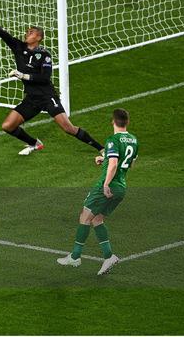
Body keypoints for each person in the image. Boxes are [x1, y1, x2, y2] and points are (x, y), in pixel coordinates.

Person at [0, 0, 104, 156]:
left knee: (68, 128)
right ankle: (34, 143)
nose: (27, 33)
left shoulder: (44, 55)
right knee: (7, 126)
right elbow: (2, 33)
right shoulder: (18, 47)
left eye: (31, 32)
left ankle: (101, 148)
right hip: (31, 98)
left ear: (39, 37)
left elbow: (45, 78)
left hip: (47, 97)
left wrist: (23, 75)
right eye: (27, 31)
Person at [57, 109, 138, 275]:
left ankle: (75, 257)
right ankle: (109, 256)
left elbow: (114, 164)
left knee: (85, 216)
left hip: (107, 185)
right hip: (121, 187)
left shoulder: (112, 140)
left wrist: (106, 183)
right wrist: (106, 159)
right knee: (97, 219)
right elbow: (129, 163)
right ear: (127, 122)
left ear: (112, 122)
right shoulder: (134, 140)